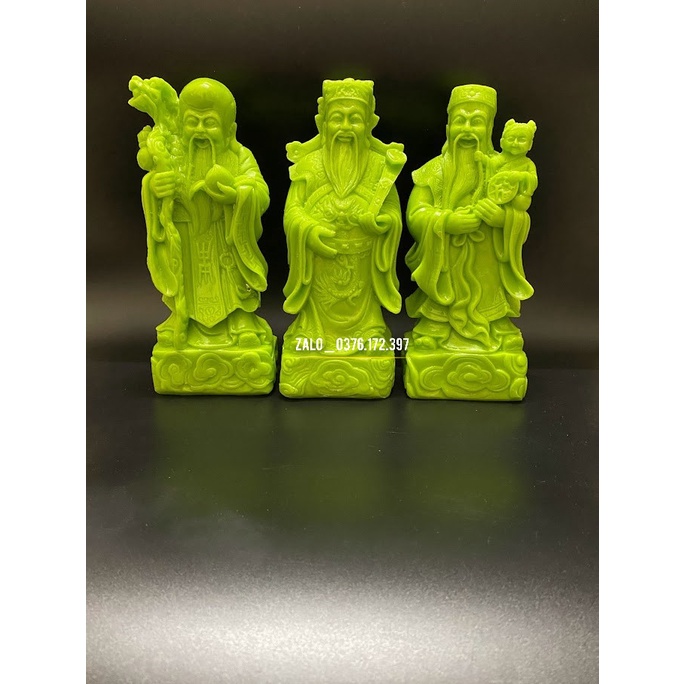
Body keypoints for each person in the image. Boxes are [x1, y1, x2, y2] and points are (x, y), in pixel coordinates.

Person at [138, 77, 273, 350]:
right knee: (185, 279)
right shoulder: (174, 157)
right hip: (186, 236)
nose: (200, 130)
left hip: (225, 234)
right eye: (192, 122)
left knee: (234, 280)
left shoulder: (239, 156)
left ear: (229, 130)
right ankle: (184, 319)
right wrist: (155, 186)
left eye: (209, 123)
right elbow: (153, 182)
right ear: (181, 124)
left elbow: (260, 191)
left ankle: (239, 320)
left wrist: (237, 195)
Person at [405, 85, 536, 353]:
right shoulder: (433, 170)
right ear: (448, 127)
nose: (466, 129)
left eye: (476, 122)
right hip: (445, 258)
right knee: (442, 293)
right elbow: (415, 214)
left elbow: (521, 212)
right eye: (460, 121)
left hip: (486, 258)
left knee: (489, 289)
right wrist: (445, 222)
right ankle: (437, 324)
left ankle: (494, 322)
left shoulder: (502, 168)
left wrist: (503, 219)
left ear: (489, 129)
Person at [282, 78, 405, 349]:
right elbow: (292, 210)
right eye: (338, 118)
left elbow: (393, 212)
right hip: (319, 265)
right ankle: (312, 329)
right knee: (314, 320)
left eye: (355, 119)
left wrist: (383, 223)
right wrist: (308, 230)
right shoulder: (308, 165)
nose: (346, 127)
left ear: (369, 124)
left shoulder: (381, 166)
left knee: (366, 319)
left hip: (363, 263)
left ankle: (369, 329)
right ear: (323, 123)